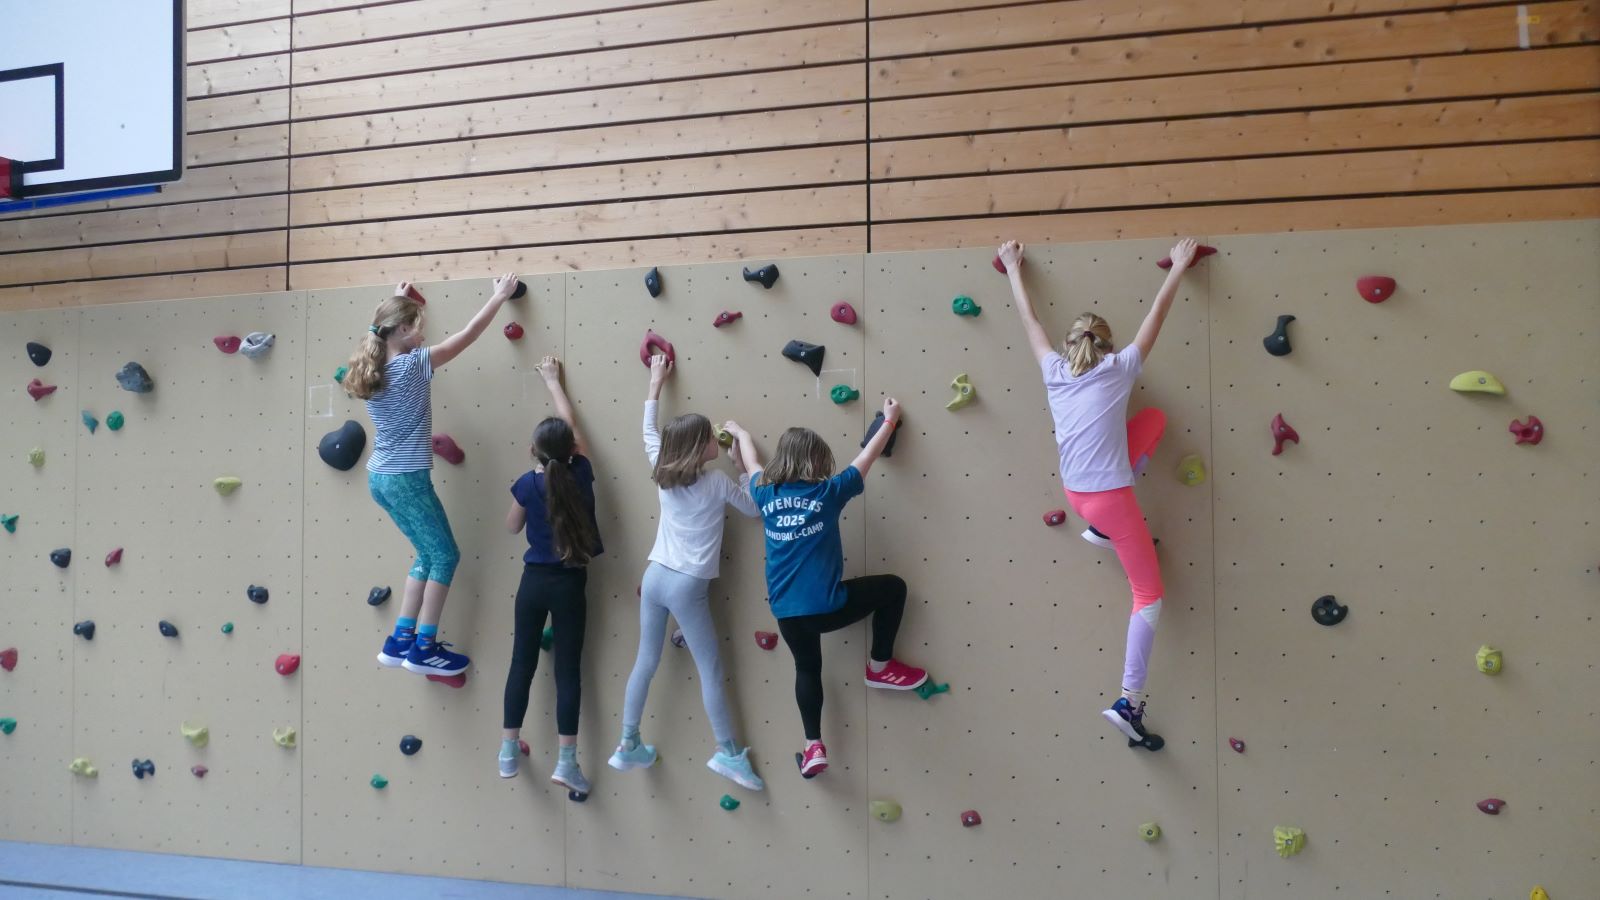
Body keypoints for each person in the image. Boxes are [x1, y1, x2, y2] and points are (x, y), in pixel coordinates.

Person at [998, 237, 1200, 750]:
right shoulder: (1121, 368)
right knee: (1149, 597)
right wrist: (1178, 266)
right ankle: (1129, 701)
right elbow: (1157, 314)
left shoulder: (1053, 371)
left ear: (1071, 345)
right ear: (1108, 346)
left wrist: (1014, 269)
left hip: (1077, 493)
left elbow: (1030, 321)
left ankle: (1101, 531)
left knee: (1152, 420)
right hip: (1111, 499)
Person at [730, 401, 928, 778]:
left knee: (807, 668)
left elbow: (752, 464)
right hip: (826, 607)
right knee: (893, 588)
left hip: (786, 612)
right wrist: (889, 421)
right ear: (817, 461)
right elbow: (866, 457)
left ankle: (813, 746)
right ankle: (880, 666)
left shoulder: (765, 495)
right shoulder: (828, 493)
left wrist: (740, 435)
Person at [344, 274, 521, 677]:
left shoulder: (372, 369)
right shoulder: (412, 365)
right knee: (445, 555)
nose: (423, 335)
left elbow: (388, 327)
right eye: (417, 328)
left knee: (427, 554)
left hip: (381, 479)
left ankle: (400, 640)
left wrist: (397, 300)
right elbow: (468, 335)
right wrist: (499, 296)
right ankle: (424, 647)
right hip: (407, 479)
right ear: (401, 330)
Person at [608, 355, 765, 791]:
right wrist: (743, 468)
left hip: (655, 576)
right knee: (710, 670)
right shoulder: (716, 482)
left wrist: (655, 383)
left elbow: (648, 432)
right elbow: (755, 510)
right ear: (700, 448)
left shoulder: (662, 471)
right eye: (709, 437)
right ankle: (728, 753)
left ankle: (627, 742)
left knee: (645, 661)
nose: (715, 440)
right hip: (687, 585)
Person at [498, 356, 603, 794]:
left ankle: (507, 751)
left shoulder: (528, 484)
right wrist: (554, 382)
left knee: (520, 663)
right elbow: (571, 427)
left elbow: (511, 526)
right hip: (569, 585)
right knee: (568, 672)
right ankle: (567, 762)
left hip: (532, 584)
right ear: (572, 450)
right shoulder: (581, 473)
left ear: (533, 452)